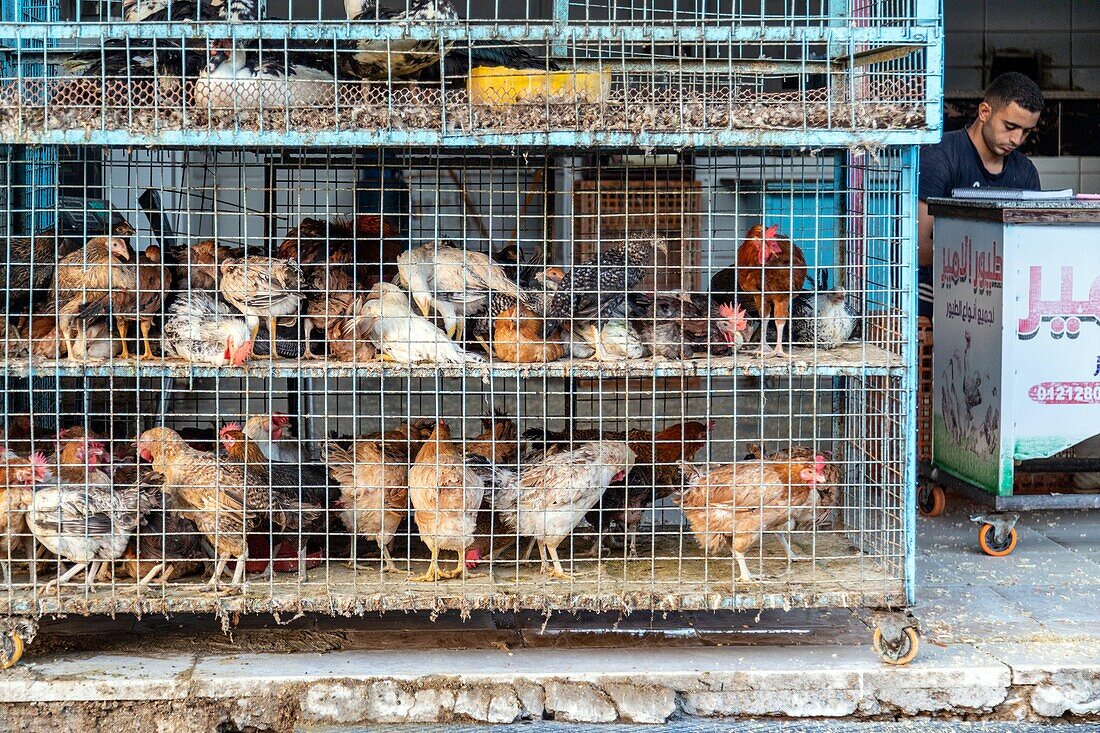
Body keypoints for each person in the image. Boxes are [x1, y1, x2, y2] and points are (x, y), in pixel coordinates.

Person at [917, 72, 1044, 316]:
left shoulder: (1026, 172)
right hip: (935, 289)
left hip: (1002, 296)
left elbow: (1031, 250)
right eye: (1010, 127)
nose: (1017, 139)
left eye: (1026, 131)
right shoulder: (940, 156)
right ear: (985, 112)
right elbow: (920, 247)